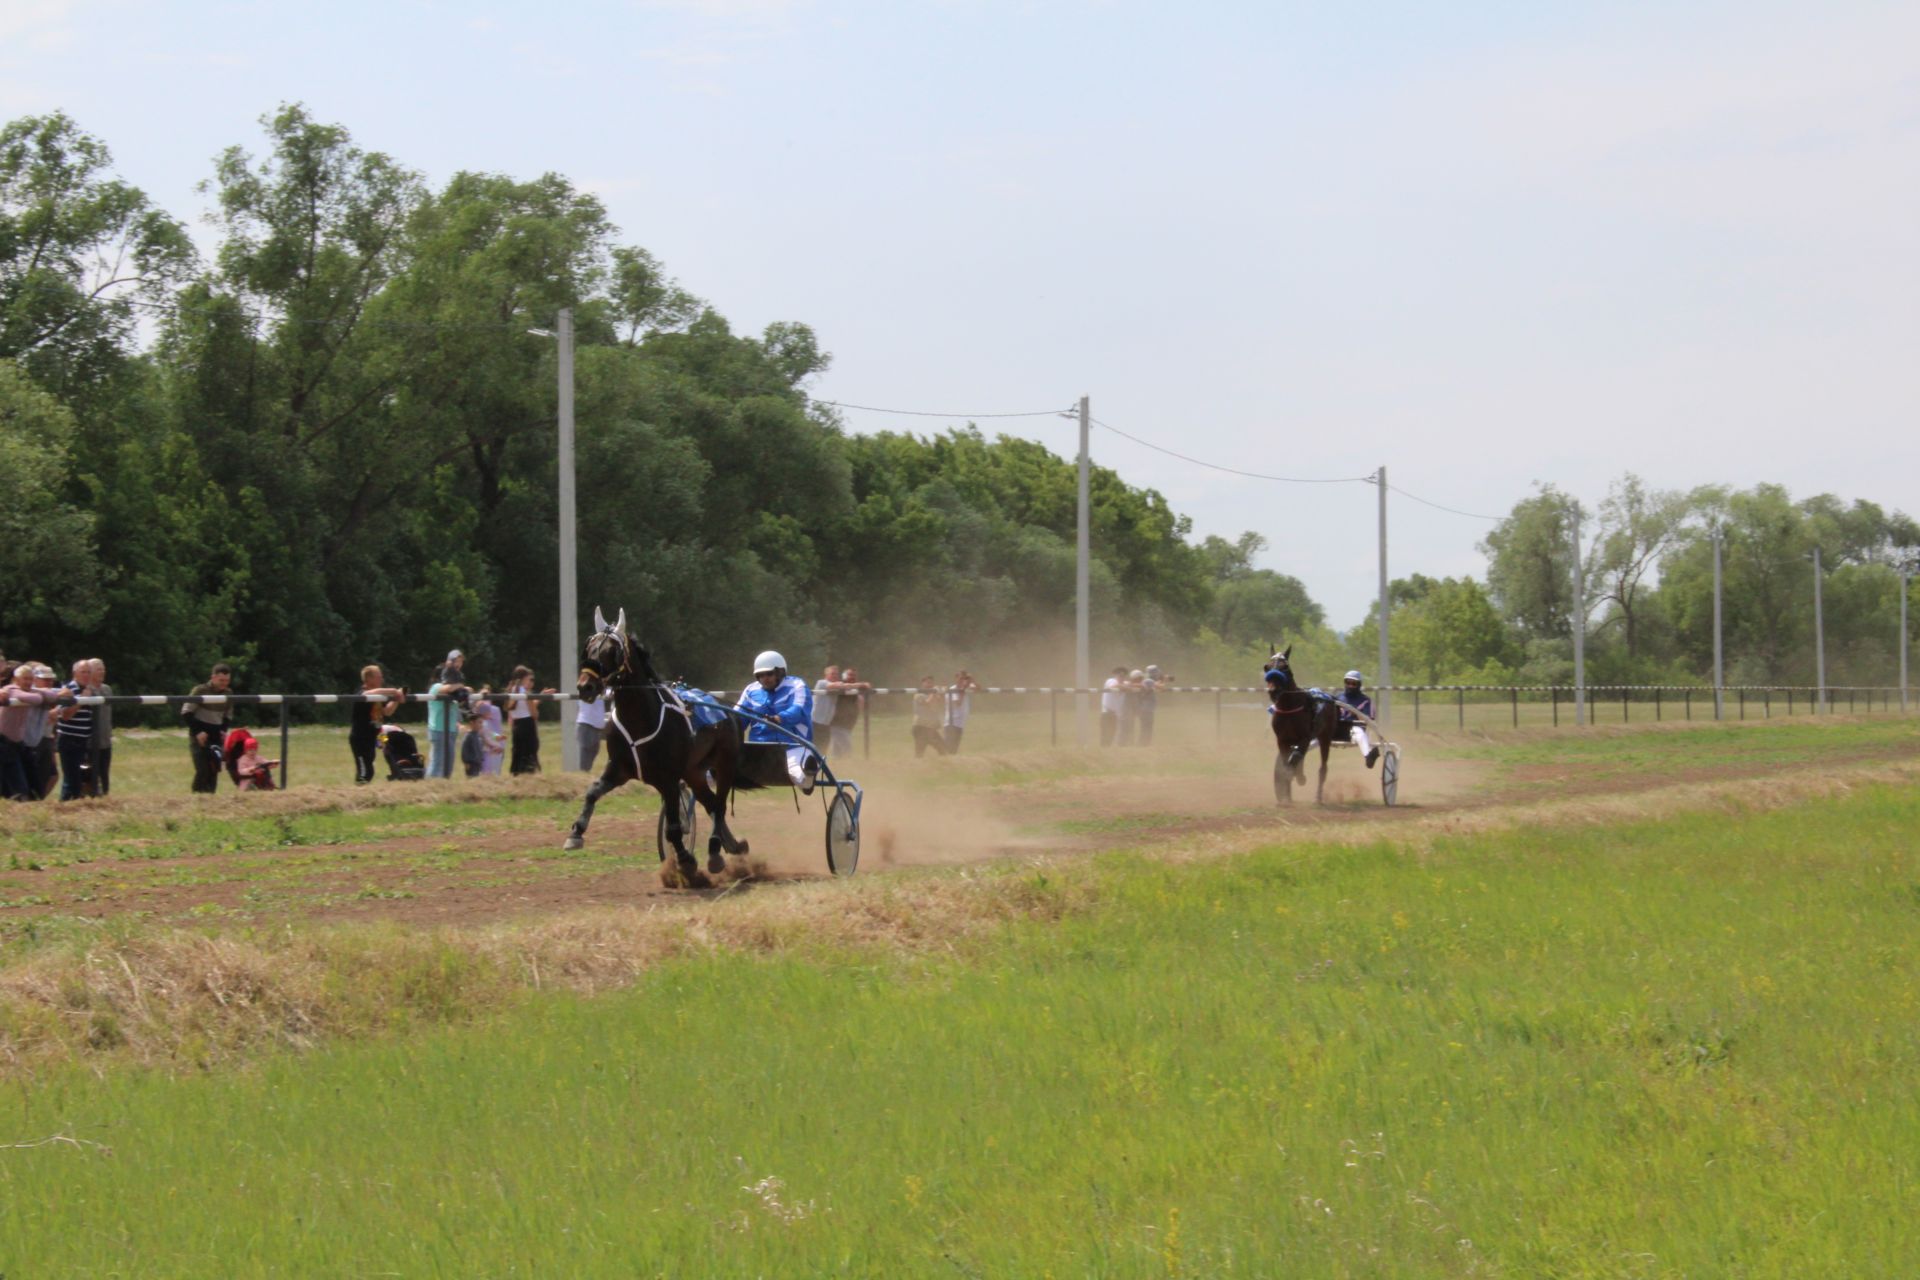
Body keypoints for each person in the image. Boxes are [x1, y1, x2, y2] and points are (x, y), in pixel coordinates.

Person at [735, 650, 817, 791]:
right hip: (756, 749)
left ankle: (808, 774)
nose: (765, 678)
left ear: (780, 672)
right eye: (760, 675)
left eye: (769, 674)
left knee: (797, 774)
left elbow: (800, 709)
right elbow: (737, 717)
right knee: (717, 771)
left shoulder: (797, 685)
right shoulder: (750, 691)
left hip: (793, 745)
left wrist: (780, 718)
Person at [0, 663, 58, 801]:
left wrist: (37, 691)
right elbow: (36, 699)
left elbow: (51, 695)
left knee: (34, 783)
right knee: (18, 786)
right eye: (25, 679)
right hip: (4, 742)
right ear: (16, 679)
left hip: (17, 744)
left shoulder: (28, 690)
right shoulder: (11, 689)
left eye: (30, 679)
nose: (28, 682)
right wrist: (38, 693)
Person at [182, 664, 233, 793]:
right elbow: (186, 712)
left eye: (227, 680)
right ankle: (196, 796)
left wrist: (223, 731)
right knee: (202, 769)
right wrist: (198, 732)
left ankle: (210, 798)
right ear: (213, 677)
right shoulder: (199, 690)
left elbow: (228, 716)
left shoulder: (228, 693)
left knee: (214, 769)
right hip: (199, 735)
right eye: (221, 680)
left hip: (216, 735)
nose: (224, 683)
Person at [351, 665, 407, 785]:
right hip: (360, 739)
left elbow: (387, 711)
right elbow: (368, 694)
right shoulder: (362, 693)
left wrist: (398, 697)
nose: (382, 680)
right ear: (369, 679)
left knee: (390, 748)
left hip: (377, 735)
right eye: (379, 677)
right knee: (365, 771)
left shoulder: (378, 696)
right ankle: (360, 790)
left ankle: (398, 773)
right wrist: (393, 691)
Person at [55, 659, 96, 801]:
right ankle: (64, 808)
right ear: (75, 673)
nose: (86, 675)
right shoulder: (69, 689)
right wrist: (82, 700)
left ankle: (72, 806)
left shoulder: (90, 690)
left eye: (89, 672)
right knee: (72, 780)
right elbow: (65, 715)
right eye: (83, 672)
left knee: (81, 778)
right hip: (69, 739)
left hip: (83, 739)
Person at [505, 666, 556, 774]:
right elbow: (533, 713)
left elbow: (523, 708)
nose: (531, 682)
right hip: (527, 725)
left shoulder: (512, 690)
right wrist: (536, 711)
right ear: (523, 679)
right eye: (530, 679)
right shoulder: (526, 693)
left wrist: (541, 696)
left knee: (518, 752)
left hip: (517, 725)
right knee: (529, 753)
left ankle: (517, 773)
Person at [425, 661, 469, 780]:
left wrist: (462, 689)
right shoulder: (436, 687)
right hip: (439, 730)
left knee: (448, 763)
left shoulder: (452, 690)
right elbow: (447, 688)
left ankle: (443, 784)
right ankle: (430, 785)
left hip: (450, 730)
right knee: (438, 762)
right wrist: (459, 685)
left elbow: (466, 691)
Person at [1337, 670, 1381, 768]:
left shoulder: (1366, 701)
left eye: (1354, 683)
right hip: (1336, 729)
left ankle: (1368, 757)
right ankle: (1299, 753)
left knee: (1359, 733)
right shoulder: (1337, 698)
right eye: (1348, 683)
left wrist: (1355, 712)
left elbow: (1369, 720)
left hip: (1354, 729)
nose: (1350, 686)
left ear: (1359, 685)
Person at [86, 658, 114, 796]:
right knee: (90, 772)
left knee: (104, 773)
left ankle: (105, 797)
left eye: (103, 669)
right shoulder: (86, 690)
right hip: (90, 741)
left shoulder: (107, 689)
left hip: (105, 739)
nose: (102, 672)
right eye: (98, 669)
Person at [832, 666, 873, 757]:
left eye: (854, 675)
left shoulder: (856, 688)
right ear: (844, 676)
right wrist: (862, 684)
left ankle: (837, 767)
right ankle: (850, 767)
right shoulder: (841, 686)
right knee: (847, 749)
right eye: (850, 675)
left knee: (837, 752)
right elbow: (847, 687)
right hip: (838, 724)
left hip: (848, 725)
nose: (852, 677)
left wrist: (864, 688)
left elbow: (867, 689)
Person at [470, 685, 507, 775]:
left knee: (493, 773)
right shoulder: (480, 715)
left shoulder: (494, 710)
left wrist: (478, 697)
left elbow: (478, 708)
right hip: (486, 747)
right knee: (484, 771)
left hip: (495, 747)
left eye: (487, 697)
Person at [911, 676, 948, 757]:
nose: (930, 685)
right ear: (922, 683)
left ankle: (944, 764)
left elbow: (942, 702)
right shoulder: (919, 694)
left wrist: (942, 692)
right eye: (927, 682)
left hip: (929, 727)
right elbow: (927, 703)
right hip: (920, 727)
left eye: (931, 683)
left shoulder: (933, 694)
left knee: (943, 748)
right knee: (919, 753)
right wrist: (934, 692)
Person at [943, 670, 979, 755]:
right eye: (960, 678)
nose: (962, 680)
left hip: (959, 723)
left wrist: (972, 680)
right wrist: (963, 689)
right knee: (949, 748)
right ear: (956, 678)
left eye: (964, 678)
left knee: (954, 749)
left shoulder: (966, 687)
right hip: (951, 723)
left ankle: (949, 763)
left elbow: (978, 689)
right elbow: (958, 703)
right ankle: (942, 762)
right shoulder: (953, 689)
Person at [574, 688, 608, 772]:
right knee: (585, 756)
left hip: (595, 728)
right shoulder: (587, 688)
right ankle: (581, 777)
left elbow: (608, 693)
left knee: (593, 753)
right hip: (587, 726)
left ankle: (585, 774)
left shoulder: (600, 690)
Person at [811, 664, 842, 749]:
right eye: (832, 674)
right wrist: (861, 685)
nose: (835, 676)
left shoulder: (837, 688)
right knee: (813, 748)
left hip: (826, 725)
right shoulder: (821, 683)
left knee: (824, 749)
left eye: (836, 674)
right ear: (826, 675)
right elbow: (837, 685)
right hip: (815, 724)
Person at [1137, 664, 1167, 747]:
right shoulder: (1148, 681)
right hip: (1146, 709)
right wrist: (1164, 680)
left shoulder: (1148, 681)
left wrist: (1161, 681)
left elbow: (1157, 687)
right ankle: (1143, 744)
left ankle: (1144, 744)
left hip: (1147, 709)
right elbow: (1162, 688)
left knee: (1147, 728)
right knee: (1146, 728)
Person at [1100, 666, 1129, 747]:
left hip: (1116, 714)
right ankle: (1103, 748)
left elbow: (1132, 686)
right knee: (1105, 732)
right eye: (1119, 675)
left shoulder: (1126, 683)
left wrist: (1126, 686)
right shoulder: (1110, 681)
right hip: (1106, 712)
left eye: (1123, 675)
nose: (1121, 677)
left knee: (1112, 732)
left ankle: (1107, 748)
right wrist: (1124, 687)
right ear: (1116, 675)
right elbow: (1114, 686)